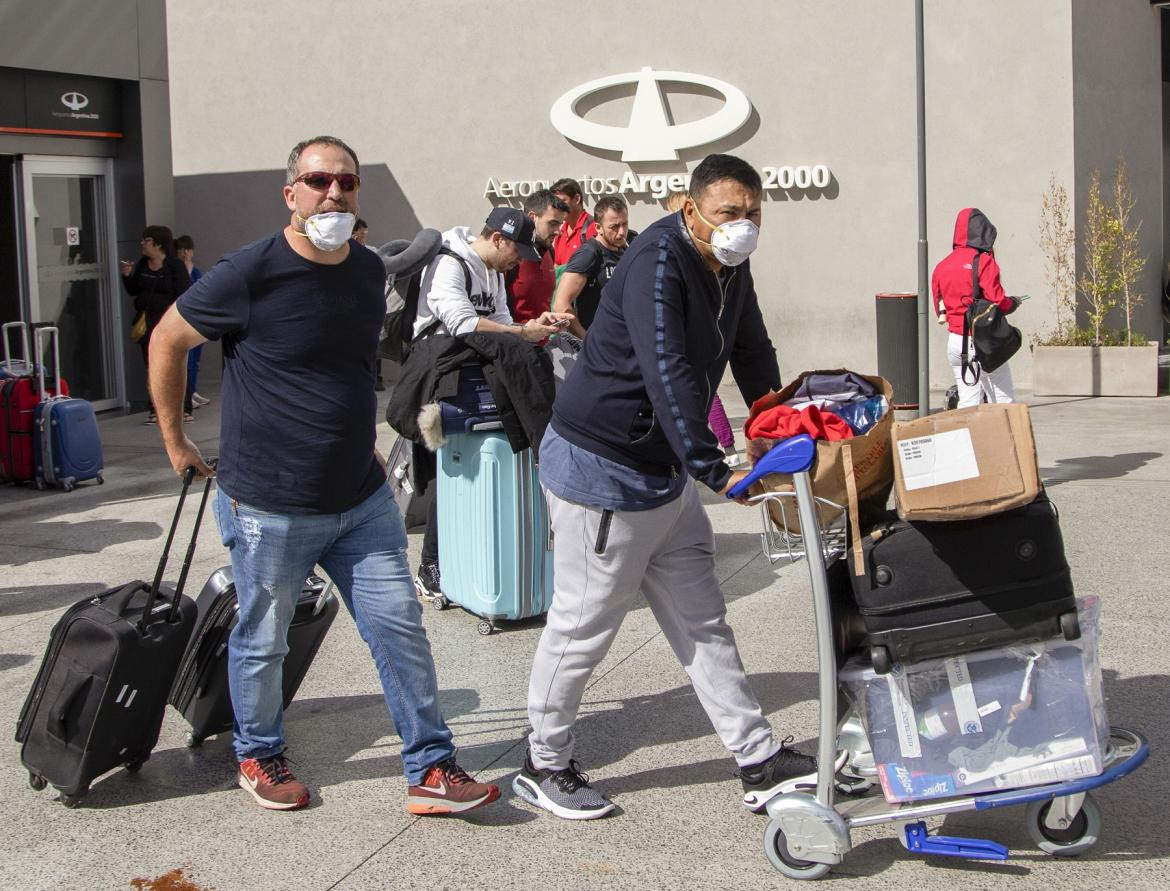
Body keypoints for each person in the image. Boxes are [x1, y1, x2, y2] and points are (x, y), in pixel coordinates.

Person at [146, 135, 500, 815]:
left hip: (359, 500)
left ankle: (430, 766)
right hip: (269, 504)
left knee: (399, 626)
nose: (334, 193)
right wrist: (175, 439)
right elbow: (167, 337)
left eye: (346, 182)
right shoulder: (248, 272)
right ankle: (258, 751)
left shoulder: (367, 271)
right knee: (264, 636)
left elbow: (347, 369)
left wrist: (362, 439)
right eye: (318, 181)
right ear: (291, 193)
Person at [513, 154, 820, 820]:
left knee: (704, 620)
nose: (743, 227)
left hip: (664, 473)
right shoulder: (656, 263)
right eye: (729, 213)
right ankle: (543, 760)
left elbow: (751, 343)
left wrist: (775, 418)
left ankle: (758, 757)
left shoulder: (729, 265)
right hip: (603, 467)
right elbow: (668, 369)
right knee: (582, 627)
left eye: (753, 215)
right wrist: (717, 468)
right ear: (691, 211)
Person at [411, 206, 571, 604]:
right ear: (497, 239)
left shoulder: (495, 272)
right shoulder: (449, 263)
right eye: (516, 250)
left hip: (476, 370)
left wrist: (534, 329)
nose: (519, 261)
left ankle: (542, 451)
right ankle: (431, 563)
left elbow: (501, 321)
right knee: (450, 473)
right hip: (440, 370)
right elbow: (461, 322)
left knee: (533, 360)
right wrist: (521, 331)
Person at [665, 191, 738, 465]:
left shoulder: (699, 255)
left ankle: (722, 448)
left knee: (702, 389)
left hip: (694, 333)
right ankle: (723, 447)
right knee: (704, 389)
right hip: (697, 331)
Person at [932, 207, 1018, 407]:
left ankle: (968, 438)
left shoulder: (941, 266)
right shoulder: (984, 262)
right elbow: (998, 302)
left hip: (955, 341)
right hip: (983, 341)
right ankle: (1003, 438)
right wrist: (1012, 303)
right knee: (1003, 400)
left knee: (968, 401)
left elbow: (940, 310)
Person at [120, 226, 191, 423]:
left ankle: (182, 408)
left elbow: (184, 295)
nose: (142, 244)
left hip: (170, 326)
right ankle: (155, 410)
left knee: (173, 367)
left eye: (147, 240)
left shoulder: (174, 266)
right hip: (148, 325)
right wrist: (127, 276)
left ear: (158, 243)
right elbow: (134, 290)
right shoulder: (143, 264)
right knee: (152, 368)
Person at [550, 195, 630, 339]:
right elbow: (561, 305)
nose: (621, 232)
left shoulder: (625, 249)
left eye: (624, 224)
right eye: (614, 227)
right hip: (599, 345)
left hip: (622, 341)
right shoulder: (589, 253)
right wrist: (587, 340)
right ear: (598, 227)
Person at [506, 190, 568, 323]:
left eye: (560, 224)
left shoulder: (549, 251)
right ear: (532, 217)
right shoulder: (509, 254)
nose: (558, 232)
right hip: (514, 340)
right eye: (553, 224)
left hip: (544, 341)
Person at [173, 235, 209, 410]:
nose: (185, 253)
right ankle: (187, 395)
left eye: (186, 250)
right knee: (187, 360)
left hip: (198, 322)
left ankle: (193, 390)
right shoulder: (179, 271)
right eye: (181, 250)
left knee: (195, 360)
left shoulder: (196, 272)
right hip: (185, 322)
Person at [550, 178, 598, 267]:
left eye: (561, 201)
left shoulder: (593, 228)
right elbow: (556, 267)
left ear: (577, 199)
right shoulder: (560, 232)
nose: (557, 207)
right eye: (554, 203)